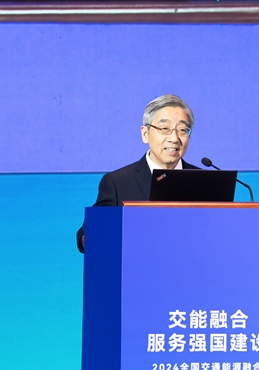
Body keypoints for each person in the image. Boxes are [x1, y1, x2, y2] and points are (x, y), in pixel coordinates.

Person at [76, 94, 199, 253]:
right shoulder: (117, 183)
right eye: (164, 129)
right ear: (145, 134)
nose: (174, 138)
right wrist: (91, 237)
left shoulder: (204, 181)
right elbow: (89, 234)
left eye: (182, 130)